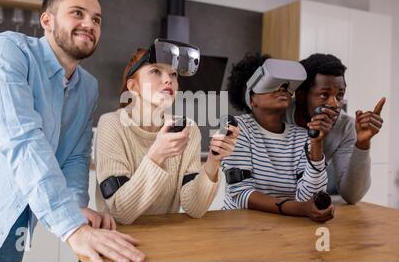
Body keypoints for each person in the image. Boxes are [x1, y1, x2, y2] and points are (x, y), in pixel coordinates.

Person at [0, 0, 144, 262]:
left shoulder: (87, 87)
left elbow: (76, 155)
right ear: (47, 20)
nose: (89, 24)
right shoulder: (6, 50)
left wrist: (76, 206)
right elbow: (22, 139)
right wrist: (71, 227)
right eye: (77, 13)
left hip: (11, 225)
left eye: (97, 19)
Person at [95, 39, 239, 225]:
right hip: (117, 238)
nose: (168, 80)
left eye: (173, 74)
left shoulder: (188, 129)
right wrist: (157, 155)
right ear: (133, 87)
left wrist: (213, 161)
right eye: (155, 71)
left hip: (165, 237)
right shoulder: (112, 124)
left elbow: (194, 208)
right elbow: (120, 212)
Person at [222, 54, 334, 223]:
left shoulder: (302, 136)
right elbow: (240, 193)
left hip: (285, 230)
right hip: (239, 228)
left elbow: (310, 197)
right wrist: (300, 209)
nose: (282, 88)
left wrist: (316, 144)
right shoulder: (237, 128)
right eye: (272, 84)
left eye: (285, 85)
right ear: (251, 98)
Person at [286, 53, 385, 204]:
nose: (335, 104)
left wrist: (362, 145)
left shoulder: (345, 126)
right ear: (300, 95)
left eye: (340, 95)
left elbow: (352, 196)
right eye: (324, 95)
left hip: (307, 209)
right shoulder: (278, 116)